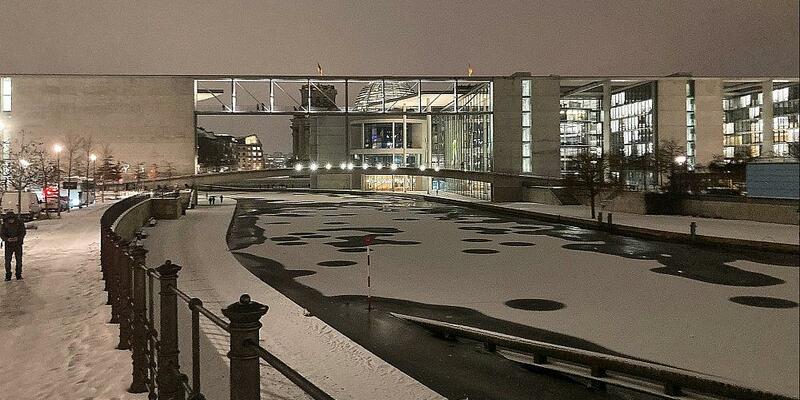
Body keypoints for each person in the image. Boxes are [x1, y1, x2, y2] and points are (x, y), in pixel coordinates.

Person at [1, 211, 26, 281]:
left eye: (12, 219)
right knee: (8, 261)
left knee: (19, 260)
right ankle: (8, 275)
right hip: (8, 245)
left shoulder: (19, 223)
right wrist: (7, 239)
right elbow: (2, 234)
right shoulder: (4, 225)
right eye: (9, 219)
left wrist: (18, 238)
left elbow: (23, 232)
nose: (11, 220)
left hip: (18, 244)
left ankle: (18, 275)